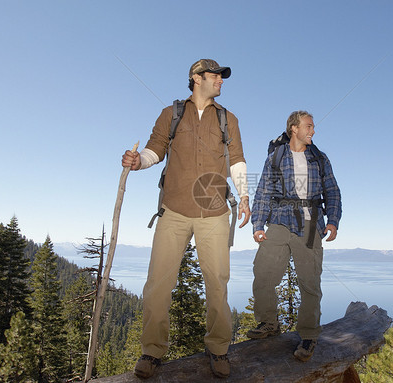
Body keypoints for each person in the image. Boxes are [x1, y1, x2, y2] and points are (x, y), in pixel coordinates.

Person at [121, 59, 249, 379]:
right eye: (215, 76)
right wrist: (138, 161)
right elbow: (155, 149)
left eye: (221, 76)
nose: (220, 81)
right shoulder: (171, 114)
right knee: (158, 285)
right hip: (174, 212)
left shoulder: (227, 118)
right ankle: (152, 352)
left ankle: (218, 349)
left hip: (214, 213)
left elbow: (236, 161)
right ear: (196, 78)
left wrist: (244, 195)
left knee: (217, 285)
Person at [248, 110, 342, 362]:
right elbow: (263, 191)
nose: (313, 130)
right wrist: (258, 224)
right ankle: (269, 323)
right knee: (264, 272)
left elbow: (332, 191)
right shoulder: (276, 157)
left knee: (310, 282)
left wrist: (332, 220)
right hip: (279, 220)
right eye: (309, 126)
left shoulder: (319, 158)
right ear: (294, 128)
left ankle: (309, 334)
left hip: (311, 223)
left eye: (312, 126)